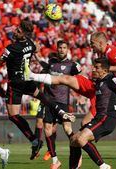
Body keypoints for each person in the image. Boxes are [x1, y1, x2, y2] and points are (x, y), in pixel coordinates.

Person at [30, 58, 116, 169]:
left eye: (97, 67)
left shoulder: (111, 79)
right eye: (94, 66)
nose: (93, 69)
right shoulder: (97, 82)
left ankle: (103, 166)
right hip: (99, 118)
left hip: (107, 118)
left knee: (81, 138)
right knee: (74, 140)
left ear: (105, 70)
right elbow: (65, 80)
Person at [0, 20, 74, 160]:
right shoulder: (30, 43)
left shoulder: (11, 48)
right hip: (28, 79)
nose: (15, 31)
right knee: (42, 97)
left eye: (18, 30)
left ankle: (34, 140)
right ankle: (61, 112)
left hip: (15, 84)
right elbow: (34, 48)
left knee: (13, 115)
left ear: (23, 33)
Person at [39, 40, 81, 168]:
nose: (62, 50)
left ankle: (77, 154)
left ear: (67, 49)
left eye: (64, 47)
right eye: (60, 48)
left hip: (63, 102)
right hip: (49, 101)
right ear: (57, 49)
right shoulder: (51, 62)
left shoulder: (72, 65)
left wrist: (79, 95)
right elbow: (43, 68)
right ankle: (55, 160)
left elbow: (80, 80)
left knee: (67, 129)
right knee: (47, 130)